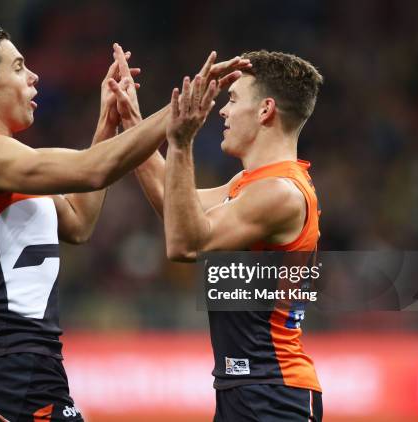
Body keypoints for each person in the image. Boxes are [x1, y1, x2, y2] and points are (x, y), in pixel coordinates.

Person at [0, 24, 246, 421]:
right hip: (5, 362)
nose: (33, 76)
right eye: (18, 67)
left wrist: (106, 124)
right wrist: (180, 110)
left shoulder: (4, 162)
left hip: (27, 360)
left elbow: (79, 222)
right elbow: (92, 170)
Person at [113, 50, 324, 421]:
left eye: (233, 99)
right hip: (246, 389)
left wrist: (182, 143)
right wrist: (134, 119)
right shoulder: (250, 185)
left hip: (274, 393)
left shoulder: (280, 193)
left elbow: (185, 244)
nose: (223, 111)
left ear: (265, 110)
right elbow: (174, 202)